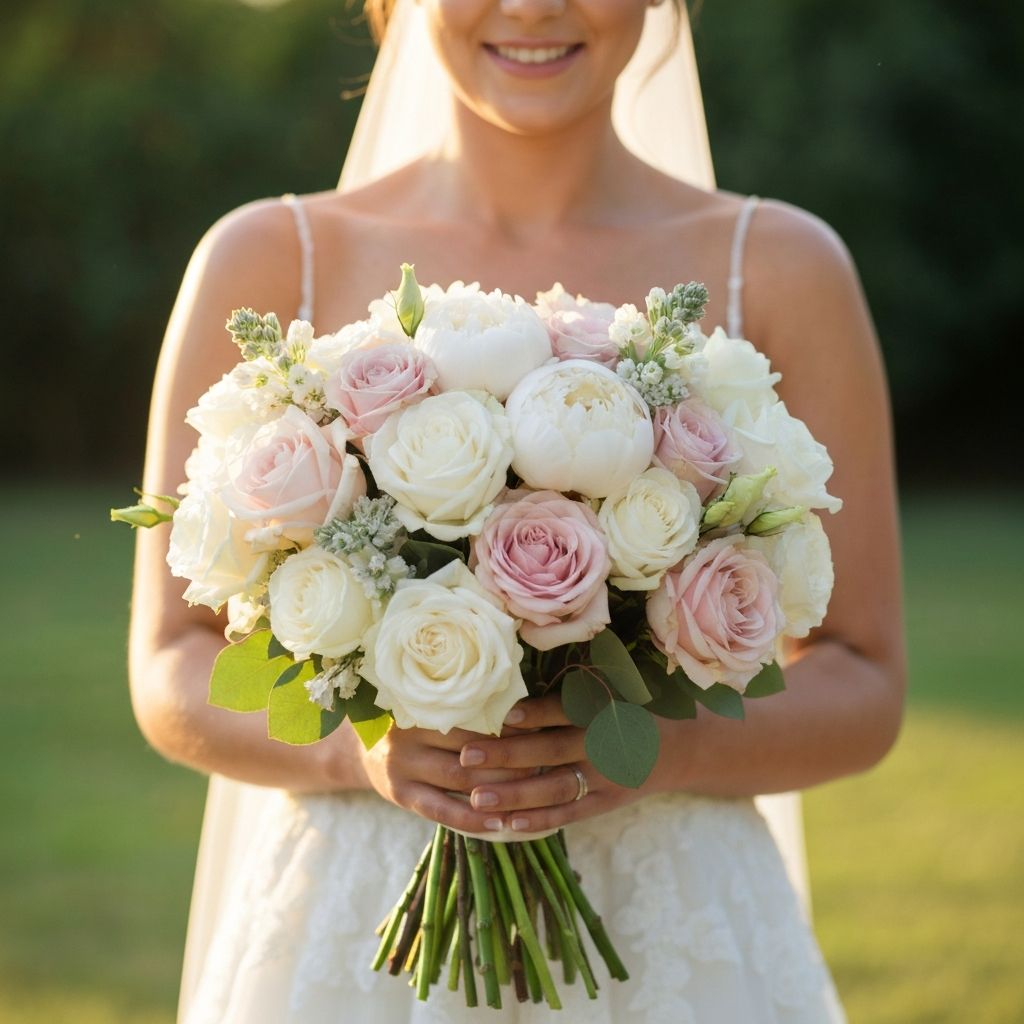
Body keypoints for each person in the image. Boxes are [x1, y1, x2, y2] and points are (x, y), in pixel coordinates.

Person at [128, 1, 905, 1020]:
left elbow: (864, 678)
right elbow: (170, 665)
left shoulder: (783, 265)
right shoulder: (267, 256)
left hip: (671, 927)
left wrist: (660, 747)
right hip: (351, 932)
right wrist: (350, 750)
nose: (533, 7)